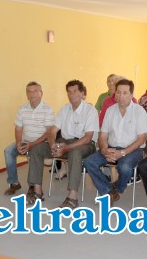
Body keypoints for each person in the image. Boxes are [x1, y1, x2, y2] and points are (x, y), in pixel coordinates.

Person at [26, 79, 98, 209]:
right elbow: (52, 131)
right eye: (69, 92)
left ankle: (72, 197)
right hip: (64, 142)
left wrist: (67, 148)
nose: (72, 95)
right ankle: (37, 192)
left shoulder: (90, 110)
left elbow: (87, 138)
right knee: (37, 149)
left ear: (82, 93)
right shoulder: (64, 109)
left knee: (75, 153)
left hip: (84, 144)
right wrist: (53, 144)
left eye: (75, 91)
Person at [84, 79, 147, 206]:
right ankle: (108, 191)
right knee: (89, 162)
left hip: (133, 149)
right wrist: (104, 149)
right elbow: (103, 135)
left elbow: (142, 138)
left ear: (131, 95)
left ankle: (118, 188)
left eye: (125, 93)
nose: (121, 96)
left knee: (124, 167)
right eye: (118, 92)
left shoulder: (139, 111)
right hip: (111, 147)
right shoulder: (110, 110)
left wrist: (122, 153)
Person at [3, 81, 55, 196]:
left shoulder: (48, 109)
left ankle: (32, 186)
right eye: (29, 91)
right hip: (26, 141)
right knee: (8, 151)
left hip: (42, 143)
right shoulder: (22, 109)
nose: (32, 94)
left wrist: (31, 144)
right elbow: (18, 128)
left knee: (34, 152)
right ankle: (14, 183)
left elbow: (49, 133)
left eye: (35, 91)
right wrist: (18, 143)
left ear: (41, 93)